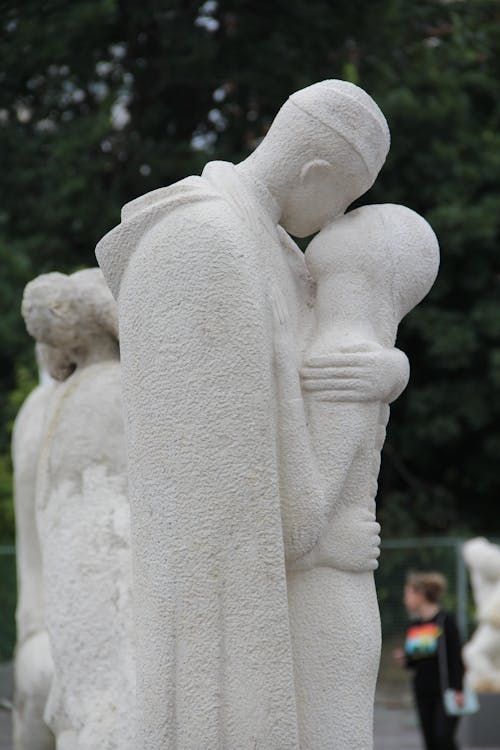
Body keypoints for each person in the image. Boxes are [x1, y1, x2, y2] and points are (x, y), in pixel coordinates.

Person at [394, 572, 465, 750]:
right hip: (422, 692)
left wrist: (458, 689)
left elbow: (456, 657)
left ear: (420, 594)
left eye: (407, 594)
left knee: (443, 738)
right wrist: (406, 659)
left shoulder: (445, 621)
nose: (405, 600)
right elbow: (417, 661)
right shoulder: (413, 625)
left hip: (445, 692)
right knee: (430, 741)